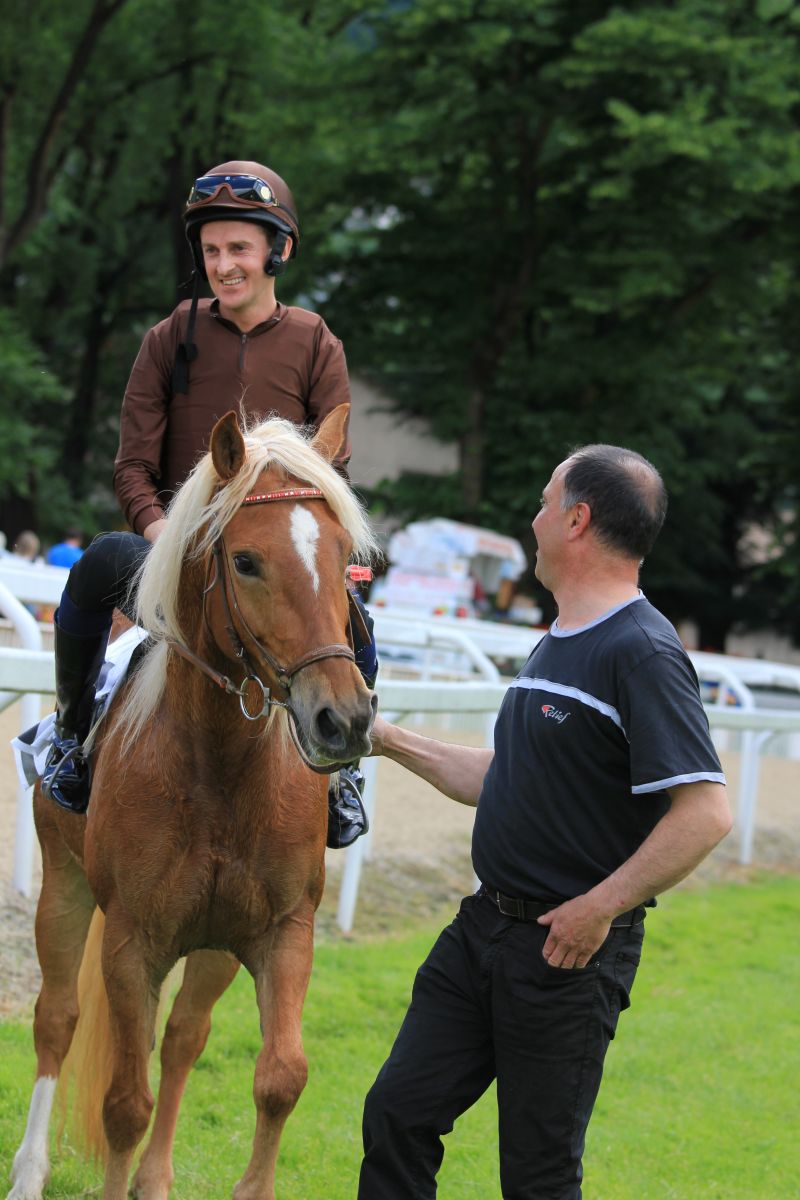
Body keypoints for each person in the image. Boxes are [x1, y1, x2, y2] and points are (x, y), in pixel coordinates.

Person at [358, 445, 732, 1200]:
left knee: (537, 1175)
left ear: (577, 519)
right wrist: (386, 738)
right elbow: (505, 778)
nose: (533, 519)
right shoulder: (557, 639)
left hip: (567, 953)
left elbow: (706, 812)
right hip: (481, 931)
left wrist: (600, 908)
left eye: (543, 501)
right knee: (398, 1113)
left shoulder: (642, 651)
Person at [42, 159, 376, 842]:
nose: (224, 265)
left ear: (278, 251)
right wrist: (162, 534)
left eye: (239, 249)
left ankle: (341, 774)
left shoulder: (317, 342)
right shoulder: (167, 339)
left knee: (359, 631)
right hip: (174, 553)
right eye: (212, 250)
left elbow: (330, 471)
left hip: (268, 556)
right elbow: (133, 467)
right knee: (97, 562)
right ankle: (71, 738)